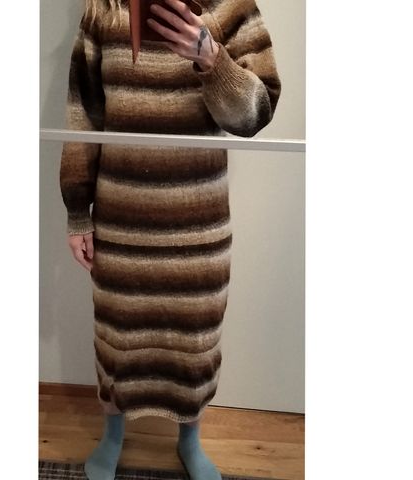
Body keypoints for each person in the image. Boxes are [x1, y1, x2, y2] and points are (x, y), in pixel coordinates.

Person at [59, 0, 281, 478]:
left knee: (195, 340)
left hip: (197, 227)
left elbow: (256, 115)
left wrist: (212, 60)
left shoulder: (231, 7)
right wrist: (78, 212)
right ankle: (113, 435)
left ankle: (190, 440)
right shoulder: (104, 9)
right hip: (122, 223)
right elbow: (84, 117)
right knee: (116, 338)